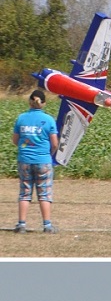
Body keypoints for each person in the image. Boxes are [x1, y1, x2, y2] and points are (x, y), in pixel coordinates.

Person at [12, 89, 59, 234]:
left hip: (24, 160)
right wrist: (48, 154)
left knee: (25, 193)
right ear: (43, 103)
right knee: (44, 193)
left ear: (30, 102)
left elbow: (15, 140)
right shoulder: (49, 120)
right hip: (43, 160)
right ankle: (47, 225)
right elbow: (55, 144)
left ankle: (21, 224)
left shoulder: (21, 118)